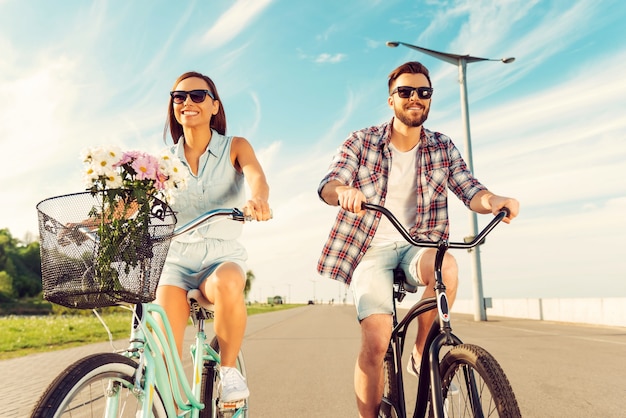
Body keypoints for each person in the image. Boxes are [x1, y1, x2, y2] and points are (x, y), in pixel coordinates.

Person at [317, 61, 519, 417]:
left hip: (419, 243)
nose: (415, 98)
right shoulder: (362, 141)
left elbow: (470, 189)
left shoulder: (442, 146)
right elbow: (330, 183)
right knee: (377, 340)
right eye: (406, 92)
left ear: (429, 99)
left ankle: (422, 350)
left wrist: (495, 201)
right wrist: (344, 191)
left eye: (423, 92)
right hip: (369, 248)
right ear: (391, 100)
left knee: (448, 267)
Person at [156, 71, 271, 403]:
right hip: (176, 262)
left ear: (214, 105)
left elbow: (256, 177)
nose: (187, 102)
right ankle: (175, 403)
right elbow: (135, 201)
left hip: (220, 257)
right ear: (173, 106)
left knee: (228, 283)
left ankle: (228, 371)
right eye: (179, 97)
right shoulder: (165, 161)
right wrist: (97, 218)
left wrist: (258, 199)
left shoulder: (235, 146)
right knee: (164, 349)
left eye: (197, 96)